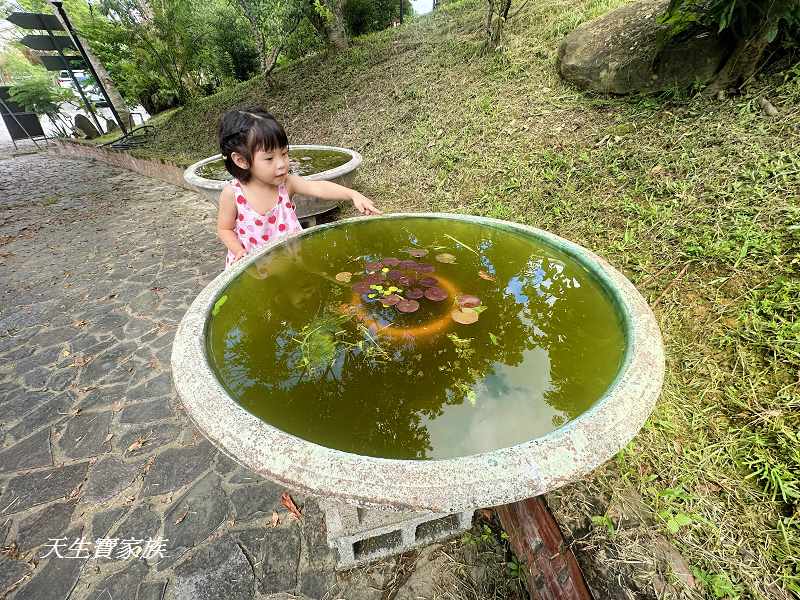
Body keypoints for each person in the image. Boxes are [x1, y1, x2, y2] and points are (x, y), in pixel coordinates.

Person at [216, 107, 380, 267]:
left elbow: (318, 188)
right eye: (269, 158)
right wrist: (239, 251)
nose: (281, 164)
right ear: (241, 160)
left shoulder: (286, 184)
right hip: (255, 270)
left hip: (290, 263)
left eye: (284, 153)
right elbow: (225, 228)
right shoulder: (233, 194)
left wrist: (352, 194)